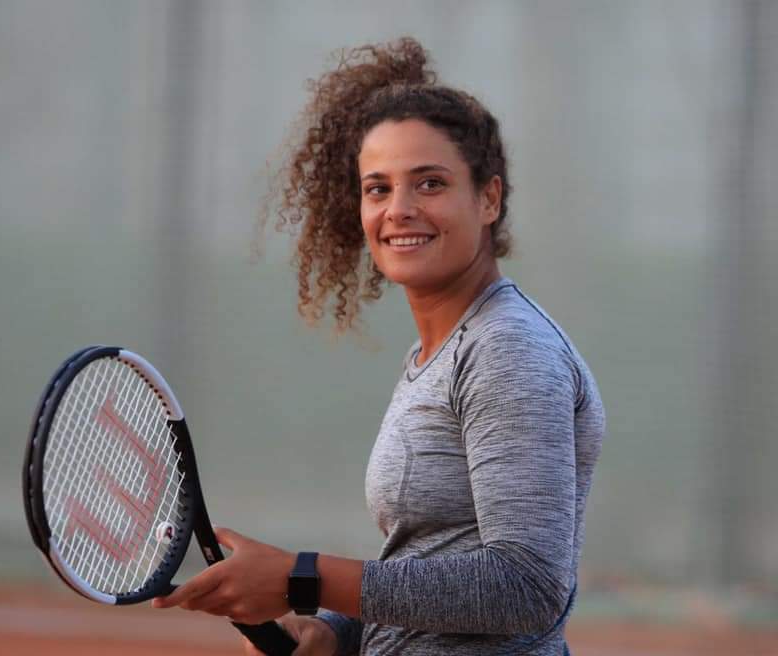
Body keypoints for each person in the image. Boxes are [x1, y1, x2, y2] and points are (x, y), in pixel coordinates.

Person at [153, 37, 605, 656]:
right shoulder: (442, 351)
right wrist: (334, 630)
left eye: (430, 183)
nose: (399, 209)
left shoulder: (507, 351)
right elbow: (427, 562)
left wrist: (301, 578)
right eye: (378, 188)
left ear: (489, 199)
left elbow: (525, 586)